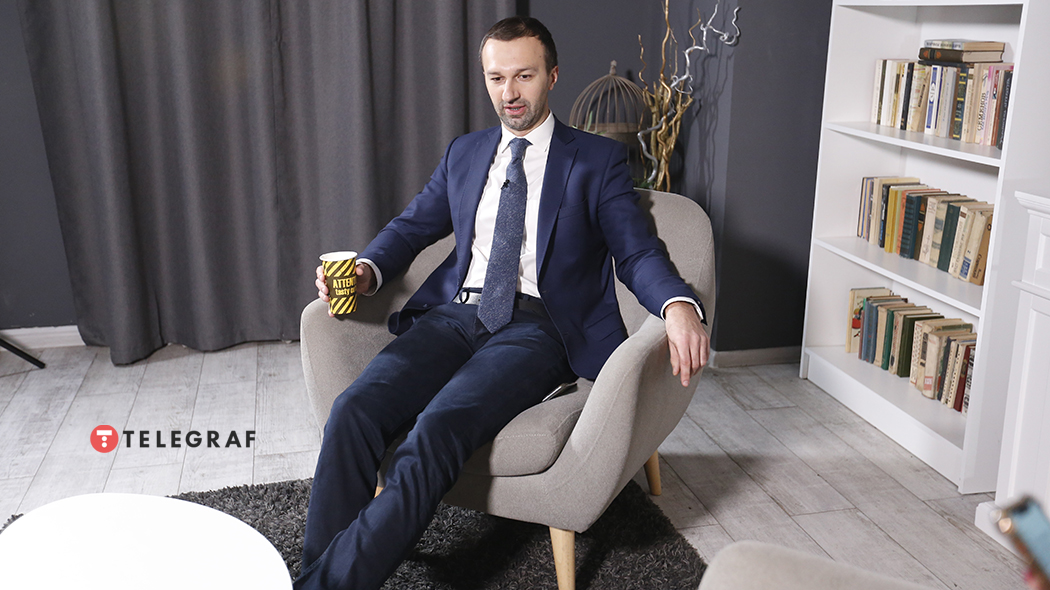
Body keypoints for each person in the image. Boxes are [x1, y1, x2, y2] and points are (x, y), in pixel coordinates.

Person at [294, 16, 710, 590]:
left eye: (524, 76)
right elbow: (412, 226)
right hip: (456, 315)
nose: (509, 93)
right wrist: (366, 270)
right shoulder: (465, 153)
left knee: (436, 433)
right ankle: (320, 576)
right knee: (353, 412)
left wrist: (678, 305)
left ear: (552, 76)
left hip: (538, 328)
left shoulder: (595, 160)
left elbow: (636, 251)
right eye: (496, 78)